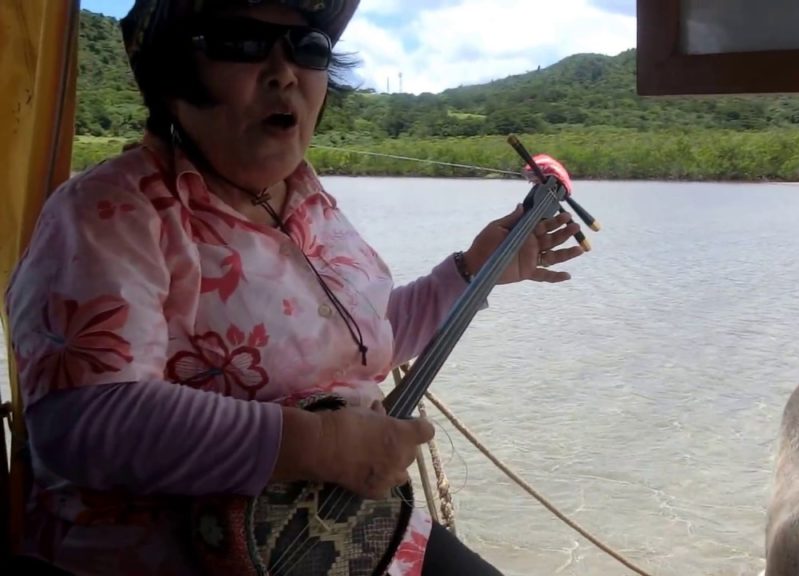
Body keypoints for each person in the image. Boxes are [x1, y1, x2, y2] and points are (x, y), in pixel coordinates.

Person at [3, 0, 585, 574]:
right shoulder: (110, 210)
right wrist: (322, 445)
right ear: (175, 76)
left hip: (349, 532)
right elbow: (82, 422)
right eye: (242, 42)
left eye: (308, 48)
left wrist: (470, 272)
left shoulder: (309, 201)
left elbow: (361, 347)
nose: (285, 72)